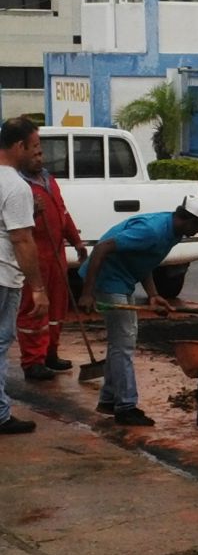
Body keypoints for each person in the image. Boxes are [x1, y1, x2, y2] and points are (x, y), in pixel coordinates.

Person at [78, 195, 198, 426]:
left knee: (120, 342)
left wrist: (153, 295)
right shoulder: (151, 231)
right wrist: (87, 293)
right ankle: (126, 406)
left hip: (123, 278)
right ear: (189, 219)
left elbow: (143, 261)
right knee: (124, 343)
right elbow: (102, 248)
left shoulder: (172, 231)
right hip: (108, 279)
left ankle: (110, 400)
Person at [16, 134, 88, 381]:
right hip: (35, 257)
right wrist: (32, 210)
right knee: (34, 308)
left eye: (40, 154)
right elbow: (18, 227)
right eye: (35, 154)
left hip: (56, 255)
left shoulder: (49, 180)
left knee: (58, 307)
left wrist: (76, 241)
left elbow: (63, 214)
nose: (39, 159)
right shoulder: (19, 186)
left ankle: (50, 353)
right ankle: (32, 361)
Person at [0, 118, 50, 435]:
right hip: (3, 276)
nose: (37, 154)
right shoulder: (15, 185)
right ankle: (1, 414)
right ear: (19, 147)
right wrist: (38, 288)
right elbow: (22, 240)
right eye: (34, 147)